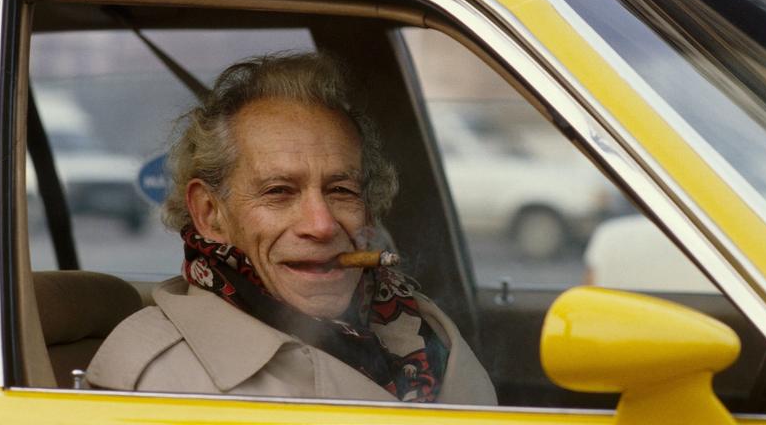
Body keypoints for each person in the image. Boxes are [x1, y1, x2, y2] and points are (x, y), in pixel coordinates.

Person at [87, 52, 496, 405]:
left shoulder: (420, 327)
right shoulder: (156, 379)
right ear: (211, 214)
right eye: (279, 191)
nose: (321, 225)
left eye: (341, 190)